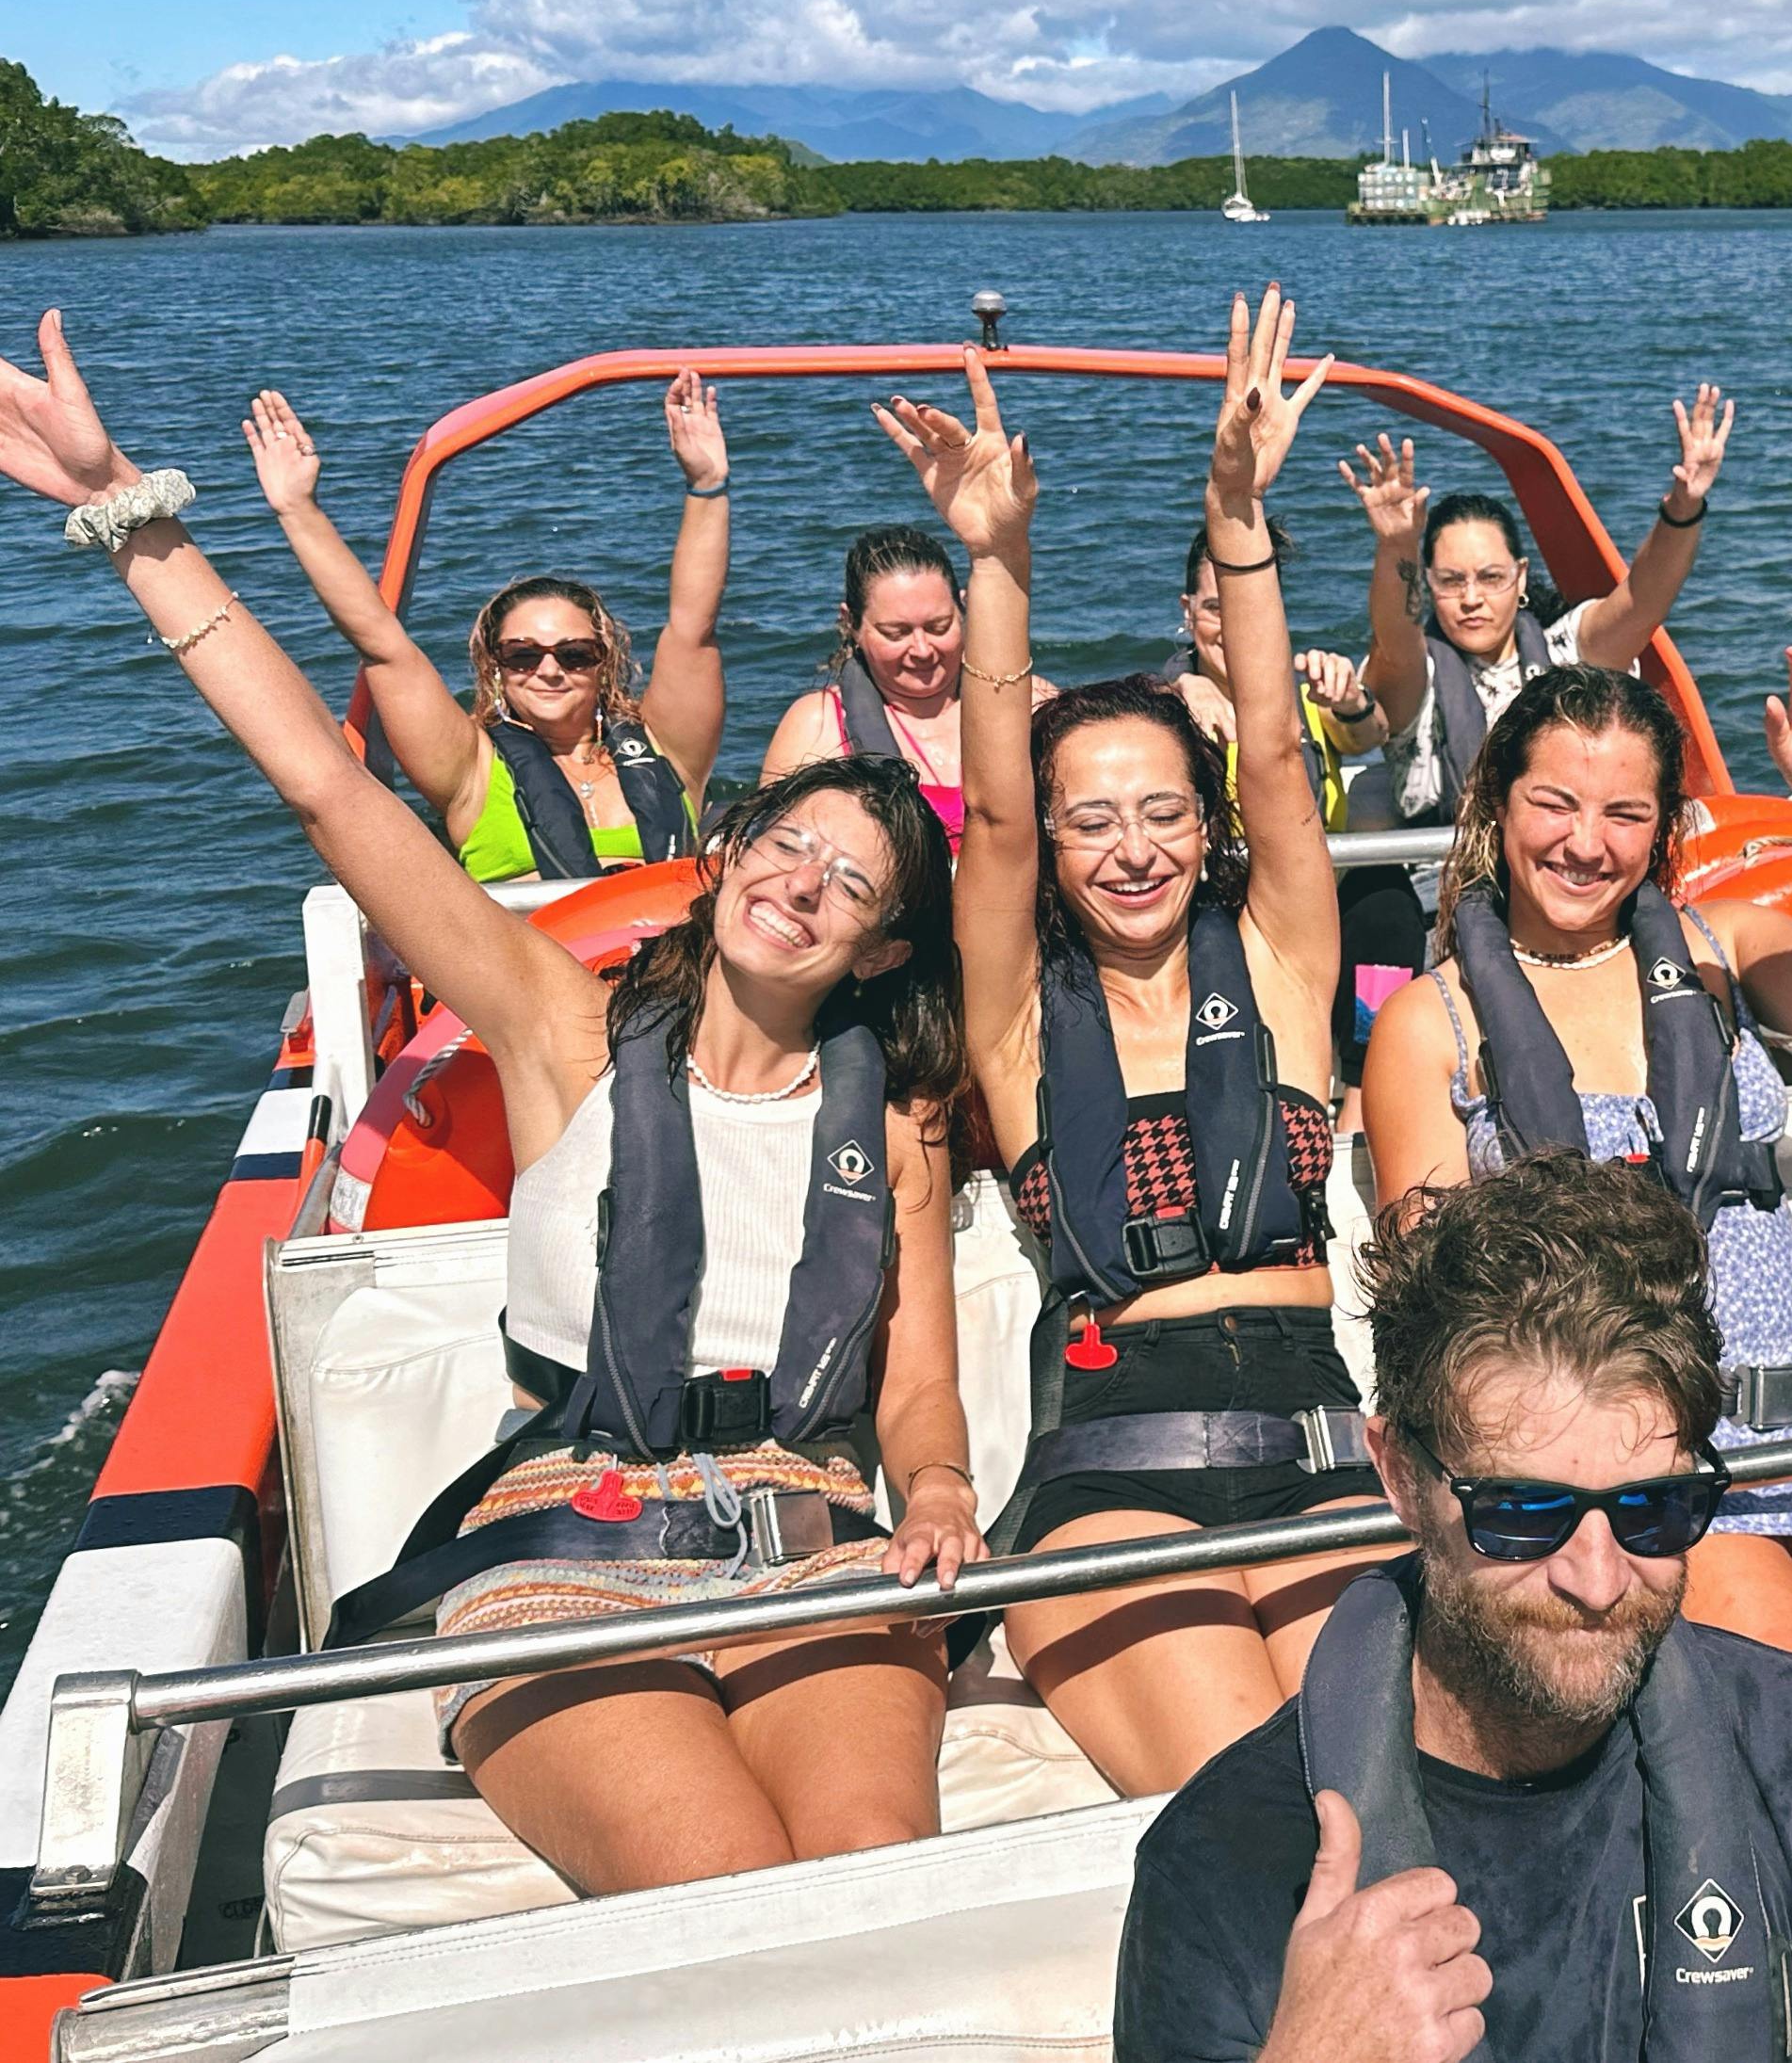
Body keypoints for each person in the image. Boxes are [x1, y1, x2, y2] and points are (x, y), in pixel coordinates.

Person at [1, 314, 981, 1894]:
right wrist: (135, 518)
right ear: (724, 859)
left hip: (814, 1525)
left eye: (851, 882)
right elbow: (332, 791)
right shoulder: (560, 1026)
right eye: (788, 848)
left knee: (875, 1868)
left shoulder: (899, 1124)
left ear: (879, 950)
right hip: (571, 1526)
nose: (805, 885)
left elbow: (917, 1388)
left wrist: (931, 1486)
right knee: (718, 1882)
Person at [877, 285, 1395, 1797]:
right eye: (1088, 819)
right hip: (1116, 1468)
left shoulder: (1287, 961)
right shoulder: (1020, 1014)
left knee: (1393, 1792)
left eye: (1163, 811)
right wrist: (991, 561)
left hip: (1321, 1449)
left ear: (1210, 822)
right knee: (1269, 1801)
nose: (1129, 847)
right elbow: (988, 817)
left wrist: (1237, 513)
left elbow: (1285, 758)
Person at [1113, 1151, 1792, 2063]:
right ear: (1398, 1475)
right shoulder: (1222, 1861)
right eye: (1522, 1514)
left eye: (1653, 1509)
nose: (1598, 1578)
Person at [1363, 656, 1792, 1668]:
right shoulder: (1432, 1022)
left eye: (1624, 813)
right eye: (1553, 802)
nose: (1586, 843)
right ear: (1498, 806)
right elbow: (1424, 1292)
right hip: (1634, 1459)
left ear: (1663, 826)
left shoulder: (1717, 952)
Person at [244, 376, 729, 880]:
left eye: (574, 654)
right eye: (523, 654)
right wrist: (298, 508)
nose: (549, 670)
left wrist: (707, 482)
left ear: (604, 662)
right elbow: (380, 643)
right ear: (493, 666)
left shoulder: (668, 747)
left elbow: (694, 625)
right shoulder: (469, 768)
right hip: (534, 957)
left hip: (666, 956)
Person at [1346, 389, 1729, 830]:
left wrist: (1684, 506)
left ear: (1521, 576)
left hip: (1570, 861)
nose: (1472, 599)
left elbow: (1642, 601)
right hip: (1446, 870)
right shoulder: (1419, 674)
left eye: (1491, 578)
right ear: (1428, 583)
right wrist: (1397, 545)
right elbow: (1394, 638)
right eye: (1451, 581)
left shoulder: (1566, 652)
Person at [1170, 514, 1427, 1130]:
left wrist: (1352, 698)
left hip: (1315, 902)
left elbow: (1369, 733)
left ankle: (1363, 1088)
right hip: (1224, 904)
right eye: (1213, 607)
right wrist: (1176, 687)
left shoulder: (1307, 695)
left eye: (1244, 605)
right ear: (1186, 612)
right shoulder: (1163, 702)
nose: (1231, 625)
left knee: (1388, 905)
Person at [763, 523, 972, 847]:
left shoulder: (1030, 702)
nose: (922, 649)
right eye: (895, 633)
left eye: (938, 627)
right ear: (851, 624)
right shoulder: (816, 726)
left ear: (962, 609)